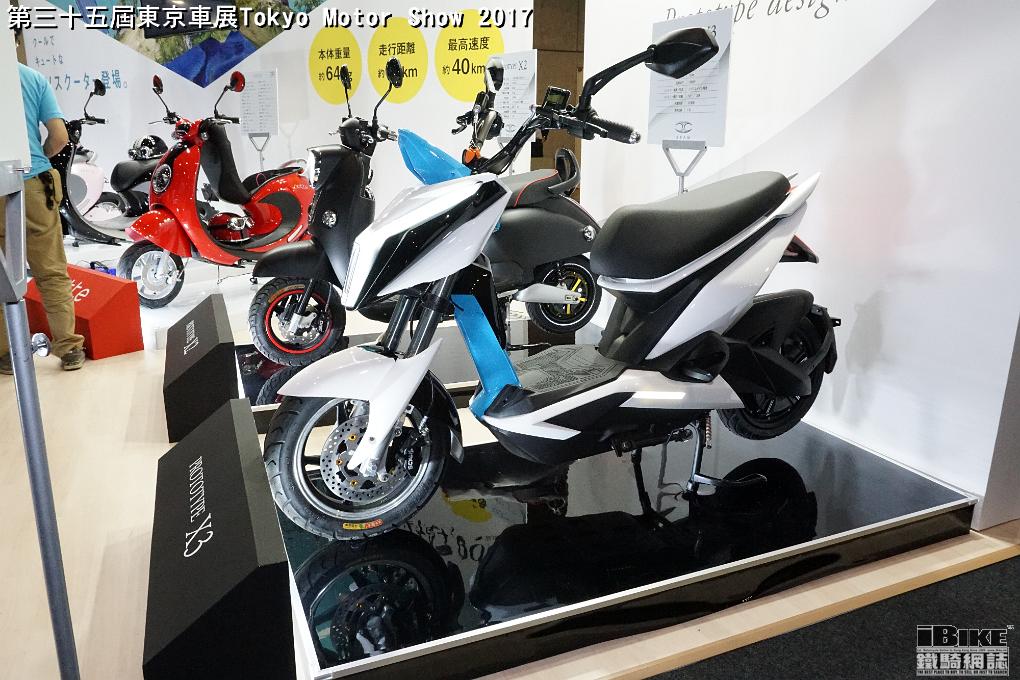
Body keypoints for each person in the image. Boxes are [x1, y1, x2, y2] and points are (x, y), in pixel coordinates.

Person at [0, 63, 86, 374]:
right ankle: (69, 347)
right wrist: (37, 159)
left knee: (1, 275)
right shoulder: (32, 77)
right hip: (34, 183)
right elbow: (60, 137)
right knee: (51, 270)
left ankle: (7, 354)